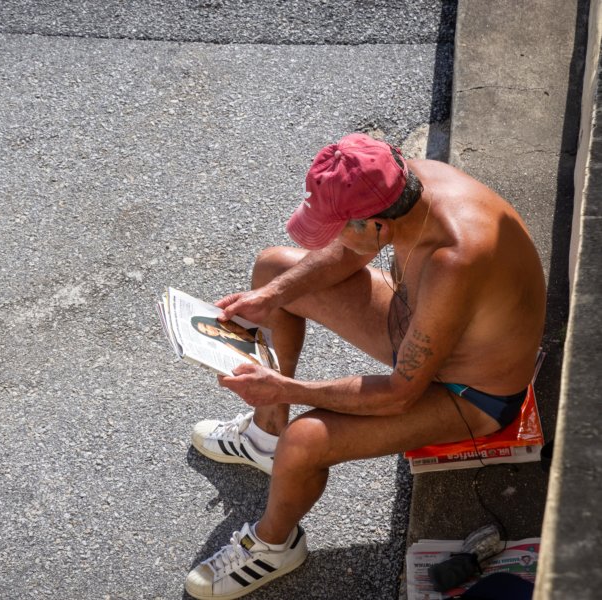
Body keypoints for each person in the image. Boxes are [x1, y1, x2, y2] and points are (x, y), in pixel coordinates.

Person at [183, 133, 547, 599]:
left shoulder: (454, 259)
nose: (333, 238)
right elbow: (348, 251)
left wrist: (286, 388)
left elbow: (400, 394)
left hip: (470, 392)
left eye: (339, 227)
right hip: (423, 323)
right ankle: (264, 437)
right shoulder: (402, 183)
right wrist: (271, 296)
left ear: (377, 226)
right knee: (274, 270)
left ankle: (275, 545)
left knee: (307, 440)